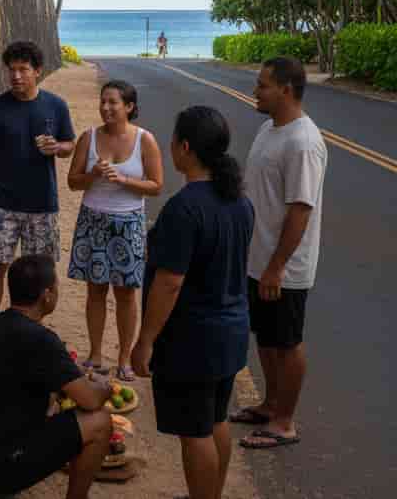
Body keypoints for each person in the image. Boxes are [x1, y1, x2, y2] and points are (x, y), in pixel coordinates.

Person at [131, 106, 254, 499]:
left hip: (193, 340)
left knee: (195, 432)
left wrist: (146, 339)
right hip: (230, 330)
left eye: (173, 141)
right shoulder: (239, 201)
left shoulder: (185, 208)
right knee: (216, 419)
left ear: (184, 147)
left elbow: (169, 283)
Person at [0, 254, 113, 498]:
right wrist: (105, 387)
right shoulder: (42, 340)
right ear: (47, 295)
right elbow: (90, 400)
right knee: (99, 421)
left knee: (55, 400)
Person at [232, 56, 326, 450]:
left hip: (283, 267)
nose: (256, 91)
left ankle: (285, 422)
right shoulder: (271, 129)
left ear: (286, 90)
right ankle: (270, 405)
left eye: (263, 85)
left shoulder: (303, 142)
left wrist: (276, 266)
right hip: (259, 258)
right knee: (267, 337)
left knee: (287, 341)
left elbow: (300, 209)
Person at [67, 80, 163, 380]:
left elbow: (156, 185)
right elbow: (73, 182)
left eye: (113, 103)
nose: (106, 108)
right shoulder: (88, 137)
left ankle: (124, 358)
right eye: (103, 101)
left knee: (125, 294)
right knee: (95, 291)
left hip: (129, 221)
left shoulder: (145, 140)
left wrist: (123, 180)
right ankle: (95, 355)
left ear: (129, 107)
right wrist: (93, 174)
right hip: (93, 220)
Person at [0, 40, 74, 312]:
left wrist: (58, 147)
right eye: (12, 70)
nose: (16, 76)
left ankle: (31, 329)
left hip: (42, 205)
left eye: (23, 69)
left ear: (37, 71)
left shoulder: (56, 106)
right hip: (1, 205)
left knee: (39, 273)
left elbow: (69, 145)